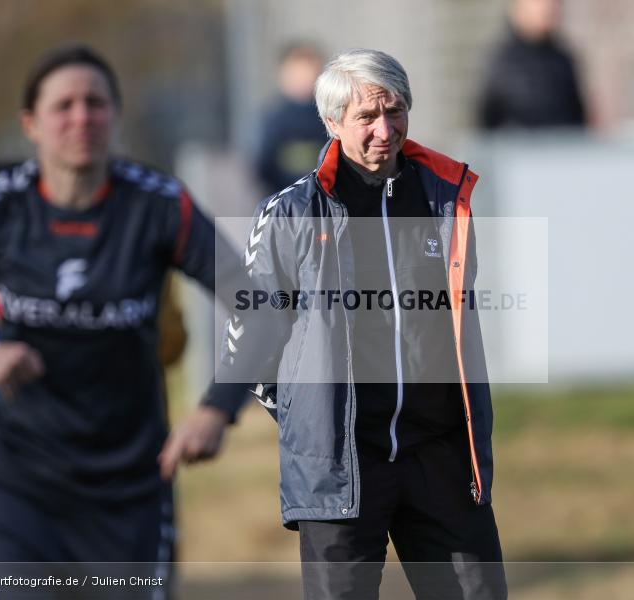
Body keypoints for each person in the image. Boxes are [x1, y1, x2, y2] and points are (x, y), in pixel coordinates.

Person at [165, 48, 507, 600]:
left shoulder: (446, 198)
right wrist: (309, 416)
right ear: (331, 122)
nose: (384, 130)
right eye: (366, 116)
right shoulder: (291, 212)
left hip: (438, 456)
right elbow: (251, 331)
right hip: (340, 464)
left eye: (394, 111)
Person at [0, 43, 244, 590]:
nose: (82, 118)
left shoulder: (159, 206)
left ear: (115, 115)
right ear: (31, 124)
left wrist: (217, 408)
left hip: (127, 490)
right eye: (64, 105)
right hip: (14, 485)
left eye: (96, 103)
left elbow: (265, 307)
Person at [477, 0, 586, 130]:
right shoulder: (502, 62)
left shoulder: (563, 60)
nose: (547, 8)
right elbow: (486, 119)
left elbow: (577, 116)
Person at [254, 42, 329, 194]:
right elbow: (263, 166)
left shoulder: (328, 115)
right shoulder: (275, 117)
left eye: (309, 73)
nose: (304, 80)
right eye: (297, 74)